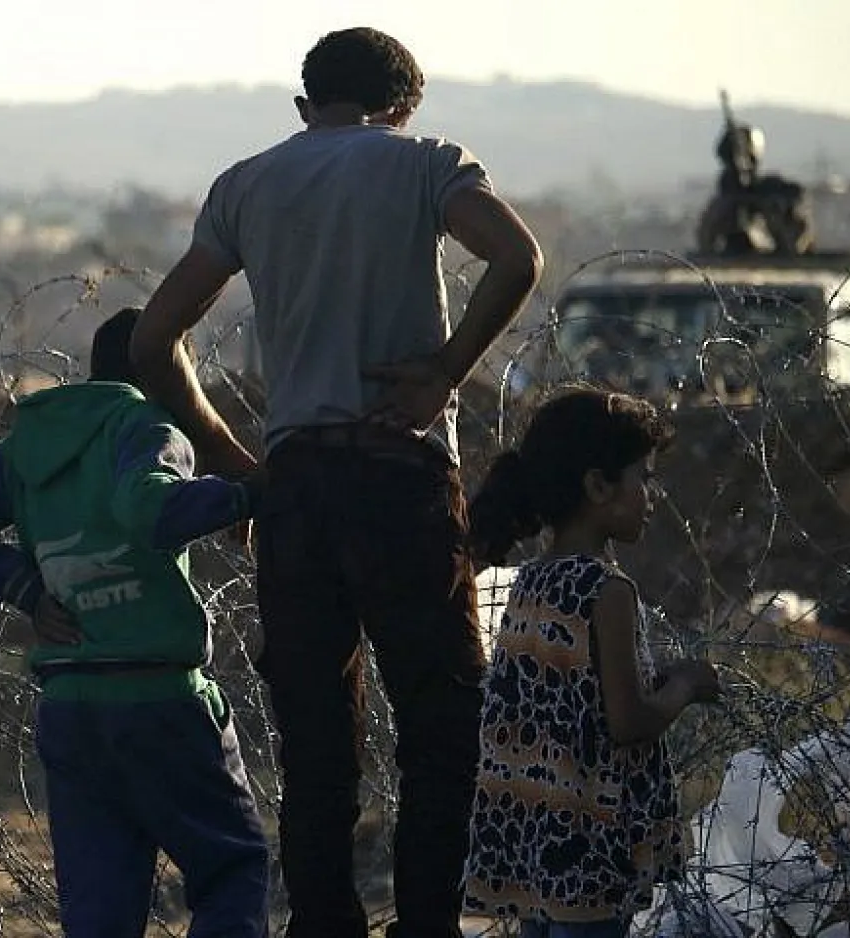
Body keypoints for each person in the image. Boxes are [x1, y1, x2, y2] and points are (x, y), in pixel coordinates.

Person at [129, 26, 543, 938]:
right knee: (442, 723)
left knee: (316, 747)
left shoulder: (246, 184)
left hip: (301, 487)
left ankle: (323, 924)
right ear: (404, 106)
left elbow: (152, 342)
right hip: (401, 477)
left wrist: (244, 466)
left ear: (304, 106)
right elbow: (516, 257)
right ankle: (426, 922)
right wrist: (444, 369)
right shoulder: (426, 162)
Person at [0, 307, 270, 938]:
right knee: (232, 870)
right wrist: (246, 493)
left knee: (100, 912)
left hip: (73, 704)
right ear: (167, 367)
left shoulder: (31, 442)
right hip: (161, 697)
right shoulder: (146, 426)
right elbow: (149, 509)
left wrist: (23, 588)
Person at [462, 388, 722, 938]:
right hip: (589, 847)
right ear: (599, 486)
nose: (652, 495)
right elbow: (627, 722)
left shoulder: (530, 583)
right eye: (643, 479)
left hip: (532, 838)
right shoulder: (606, 590)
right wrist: (685, 686)